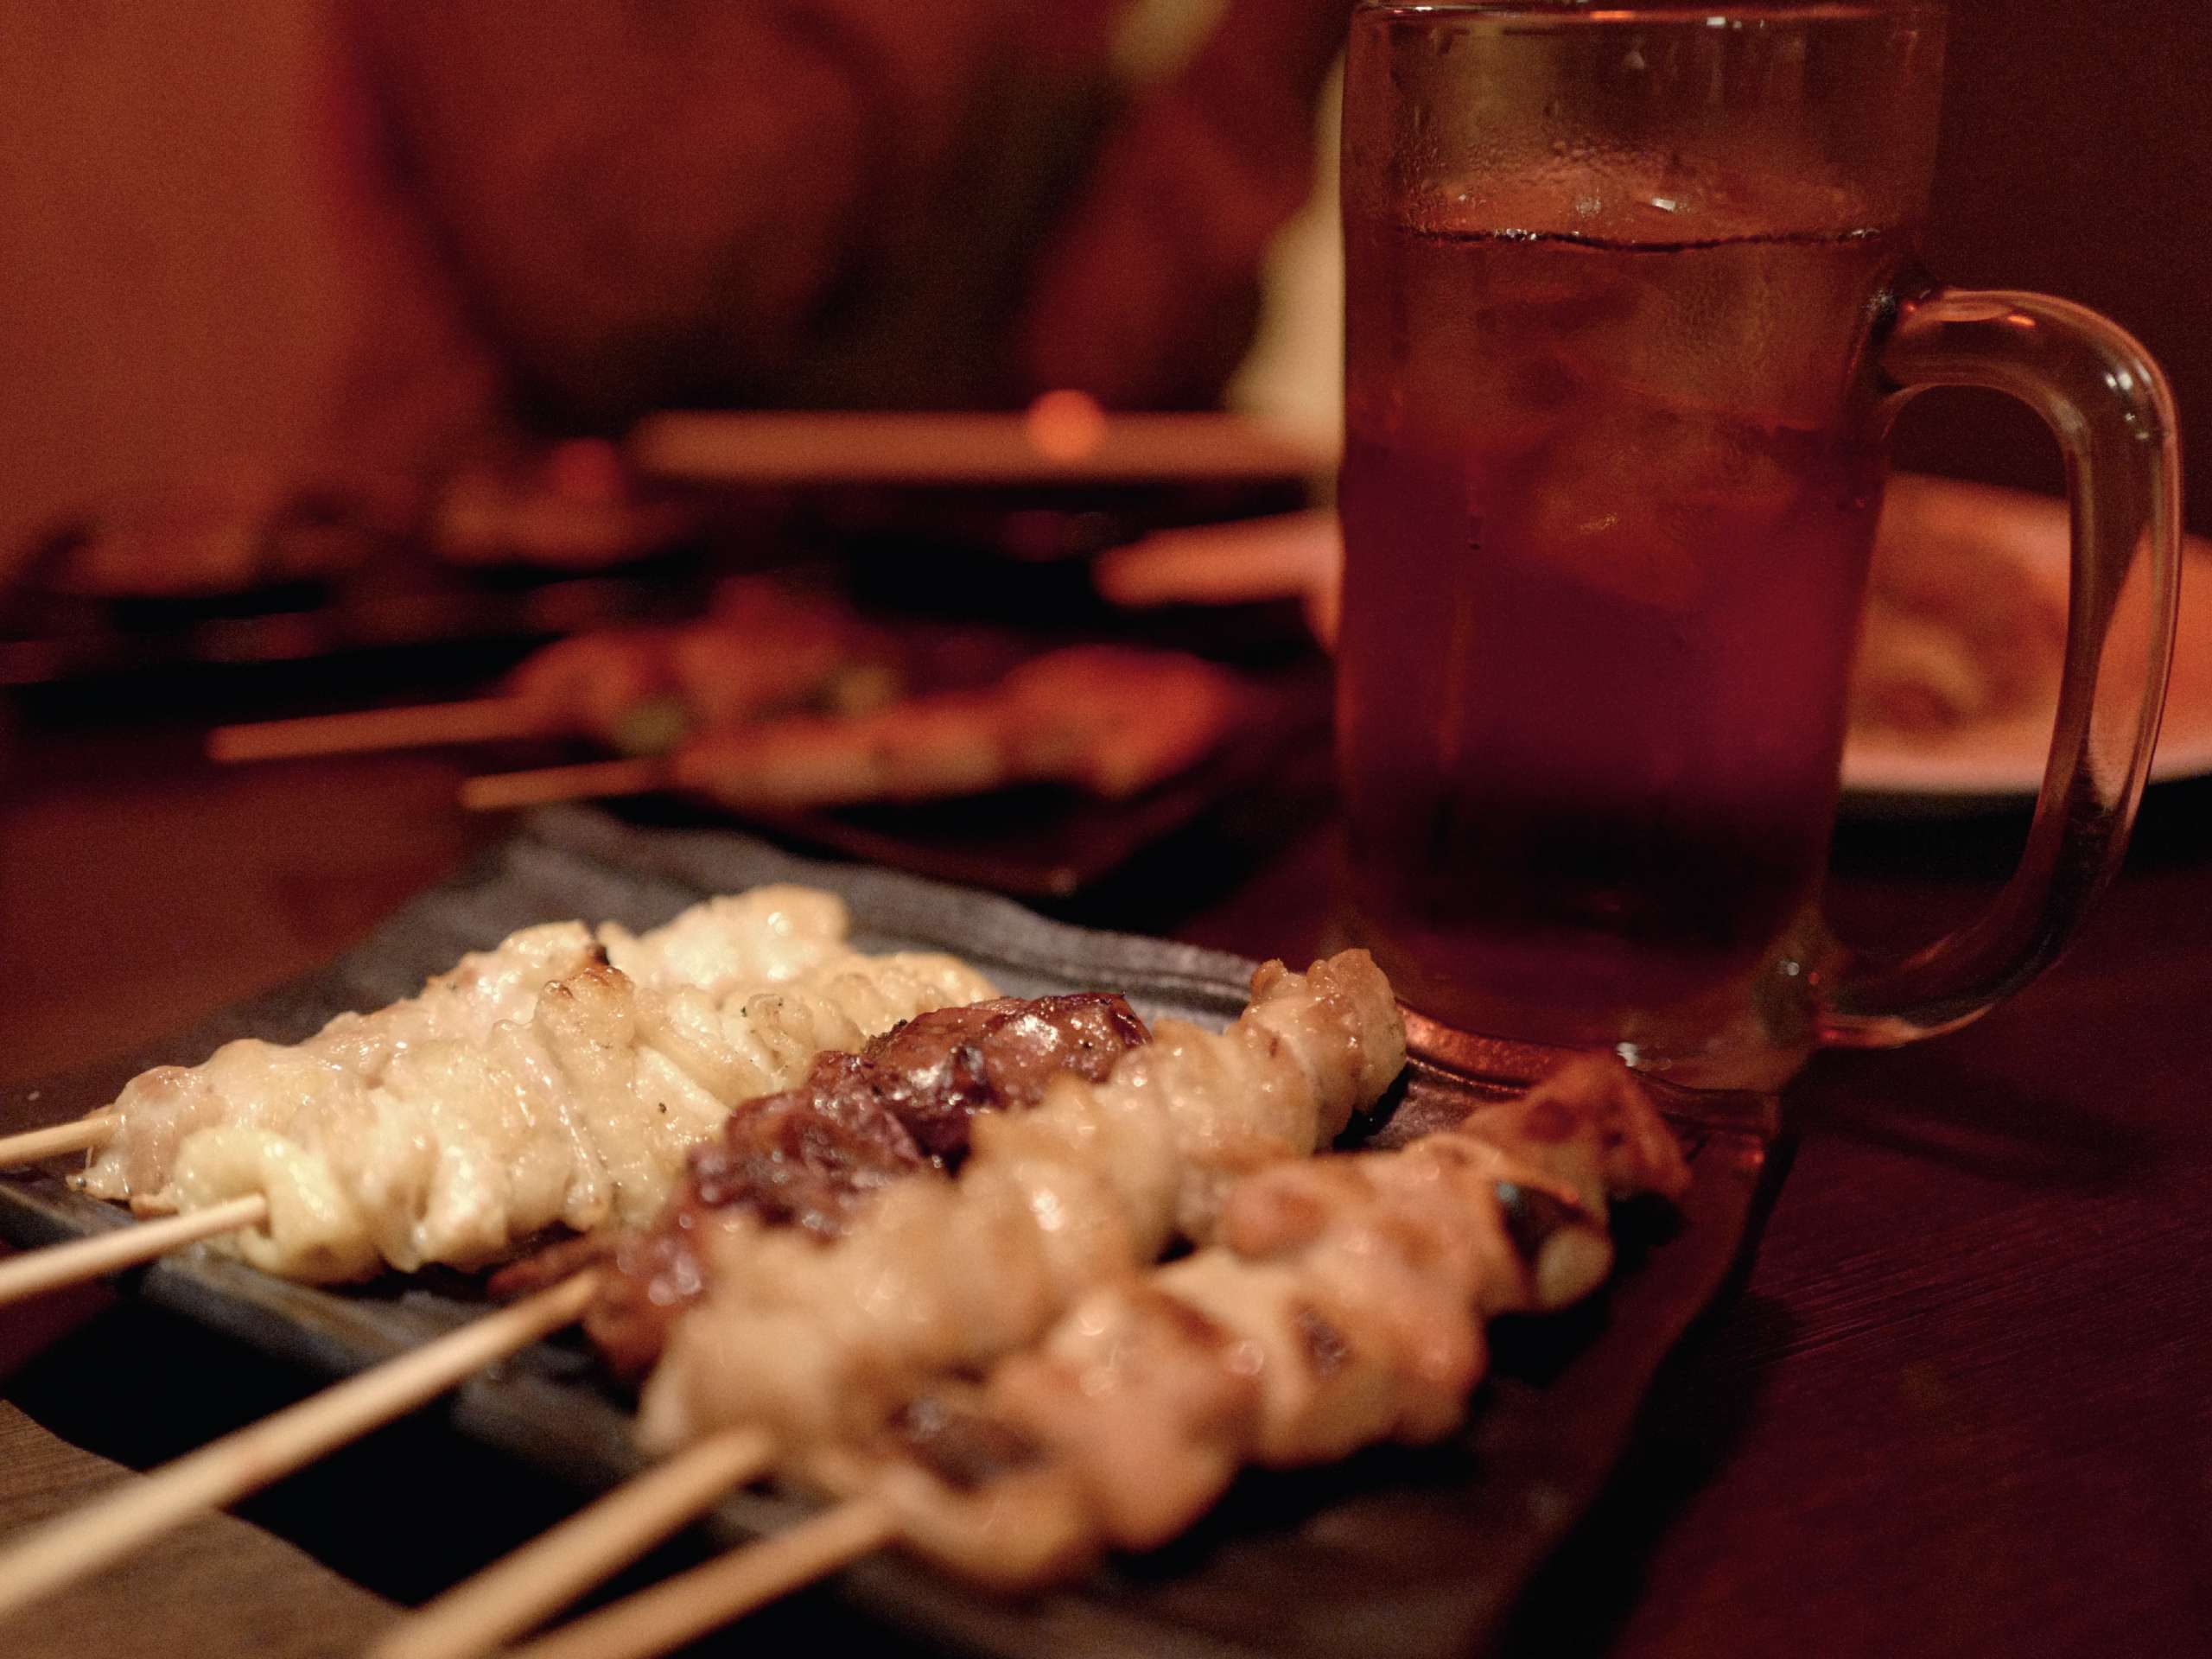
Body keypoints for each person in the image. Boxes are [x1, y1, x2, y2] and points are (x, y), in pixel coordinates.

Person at [0, 0, 1350, 575]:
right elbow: (644, 284)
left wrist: (1282, 31)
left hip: (942, 640)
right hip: (491, 650)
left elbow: (1102, 366)